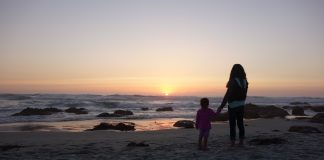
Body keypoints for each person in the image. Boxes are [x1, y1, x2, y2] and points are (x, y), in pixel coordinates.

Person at [217, 64, 248, 146]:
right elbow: (245, 94)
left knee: (232, 124)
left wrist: (221, 106)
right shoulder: (245, 81)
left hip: (233, 105)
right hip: (241, 105)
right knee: (240, 123)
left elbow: (227, 94)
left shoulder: (233, 81)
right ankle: (241, 141)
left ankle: (233, 142)